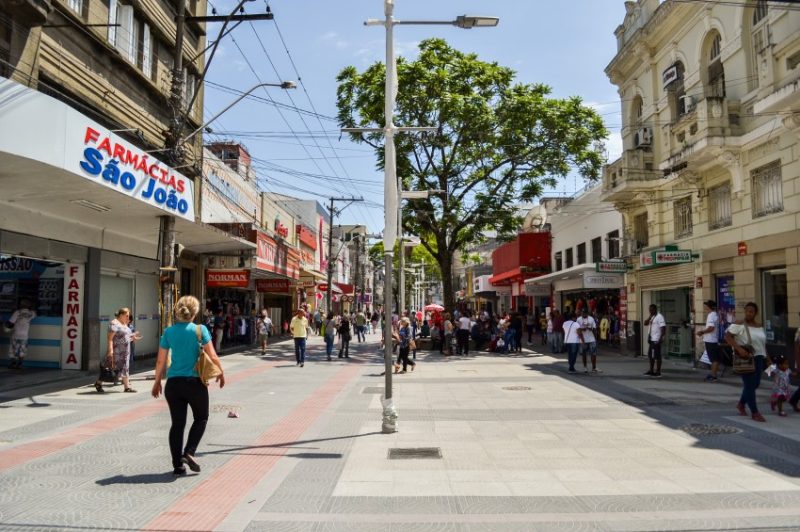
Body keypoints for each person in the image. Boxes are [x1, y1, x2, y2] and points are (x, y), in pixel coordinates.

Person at [151, 295, 225, 476]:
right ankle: (189, 452)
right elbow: (213, 356)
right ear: (195, 312)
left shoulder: (168, 332)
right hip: (195, 383)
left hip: (173, 384)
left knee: (177, 424)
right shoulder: (200, 330)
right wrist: (221, 373)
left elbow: (161, 360)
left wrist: (157, 382)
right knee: (201, 418)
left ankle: (177, 465)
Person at [726, 302, 768, 422]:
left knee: (755, 384)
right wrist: (739, 349)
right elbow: (727, 337)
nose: (749, 313)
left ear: (756, 313)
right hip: (746, 358)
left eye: (752, 311)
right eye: (747, 311)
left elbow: (762, 343)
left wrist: (768, 358)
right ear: (745, 311)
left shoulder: (759, 326)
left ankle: (741, 403)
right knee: (749, 385)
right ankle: (755, 412)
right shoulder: (739, 324)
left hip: (759, 357)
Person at [96, 307, 142, 393]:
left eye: (129, 316)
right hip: (116, 351)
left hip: (125, 352)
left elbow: (125, 336)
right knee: (110, 368)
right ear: (121, 315)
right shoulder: (114, 323)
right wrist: (110, 350)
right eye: (127, 316)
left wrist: (133, 337)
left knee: (125, 368)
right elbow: (110, 338)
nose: (128, 318)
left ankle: (126, 387)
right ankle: (98, 383)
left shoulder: (124, 324)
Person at [5, 299, 36, 370]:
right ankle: (20, 364)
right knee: (23, 349)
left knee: (13, 349)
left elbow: (10, 322)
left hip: (16, 334)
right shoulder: (31, 313)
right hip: (25, 335)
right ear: (29, 305)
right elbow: (35, 313)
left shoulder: (17, 312)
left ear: (21, 305)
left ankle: (13, 364)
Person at [697, 300, 721, 382]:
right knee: (714, 358)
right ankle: (713, 374)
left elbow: (711, 328)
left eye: (706, 306)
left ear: (709, 307)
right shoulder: (715, 315)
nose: (705, 307)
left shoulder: (711, 315)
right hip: (713, 339)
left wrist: (702, 332)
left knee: (713, 359)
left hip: (711, 340)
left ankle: (713, 376)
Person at [644, 304, 666, 378]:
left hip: (656, 339)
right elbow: (645, 323)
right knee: (651, 356)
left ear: (655, 309)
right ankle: (651, 370)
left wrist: (661, 339)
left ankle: (658, 371)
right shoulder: (652, 317)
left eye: (651, 310)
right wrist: (650, 317)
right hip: (651, 339)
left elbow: (663, 328)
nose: (650, 311)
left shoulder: (660, 317)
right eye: (649, 310)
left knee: (657, 356)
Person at [578, 308, 600, 373]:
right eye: (582, 313)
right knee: (584, 354)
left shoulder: (591, 319)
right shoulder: (578, 319)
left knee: (593, 354)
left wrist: (591, 329)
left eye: (584, 313)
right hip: (583, 339)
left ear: (587, 313)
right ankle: (585, 367)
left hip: (591, 339)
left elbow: (595, 328)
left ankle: (594, 367)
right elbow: (576, 329)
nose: (583, 314)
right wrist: (582, 329)